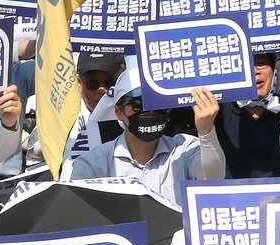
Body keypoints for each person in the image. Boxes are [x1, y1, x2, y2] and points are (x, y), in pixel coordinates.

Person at [65, 76, 225, 206]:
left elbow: (213, 179)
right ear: (119, 112)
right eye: (138, 104)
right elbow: (80, 215)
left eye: (159, 104)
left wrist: (206, 130)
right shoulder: (92, 165)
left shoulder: (185, 148)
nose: (151, 112)